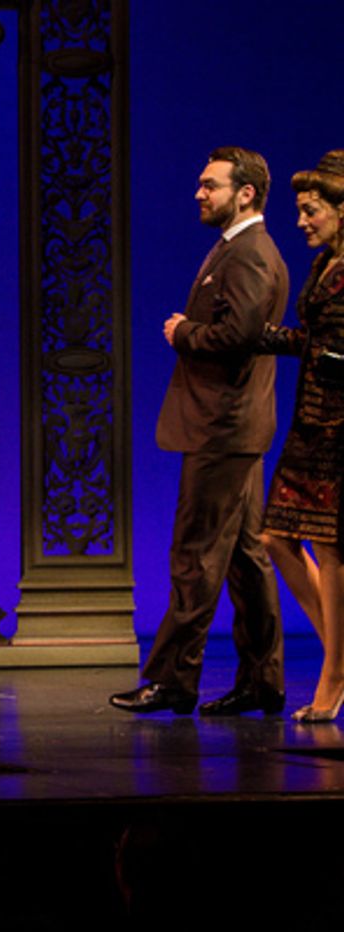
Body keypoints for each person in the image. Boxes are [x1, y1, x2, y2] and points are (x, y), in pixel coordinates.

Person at [110, 146, 288, 716]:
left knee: (196, 556)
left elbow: (237, 335)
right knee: (243, 557)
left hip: (223, 429)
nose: (198, 194)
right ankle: (262, 679)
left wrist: (184, 331)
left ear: (246, 194)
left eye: (209, 185)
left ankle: (172, 679)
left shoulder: (249, 255)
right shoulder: (238, 250)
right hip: (234, 428)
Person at [258, 150, 344, 722]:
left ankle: (333, 676)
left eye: (311, 210)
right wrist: (259, 336)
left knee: (334, 551)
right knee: (275, 539)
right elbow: (314, 341)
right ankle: (341, 656)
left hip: (339, 429)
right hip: (309, 424)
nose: (302, 221)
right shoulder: (323, 266)